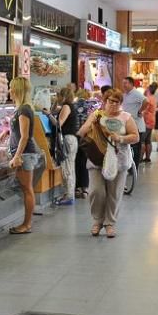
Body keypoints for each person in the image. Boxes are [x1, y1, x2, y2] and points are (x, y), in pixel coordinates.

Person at [78, 88, 139, 238]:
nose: (113, 104)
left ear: (120, 103)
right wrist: (90, 122)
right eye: (110, 101)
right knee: (96, 191)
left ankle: (109, 223)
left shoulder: (126, 117)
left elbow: (135, 137)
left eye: (116, 102)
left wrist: (121, 138)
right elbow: (81, 133)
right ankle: (97, 221)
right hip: (96, 158)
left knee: (114, 193)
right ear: (104, 101)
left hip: (119, 160)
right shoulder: (96, 115)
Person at [8, 77, 42, 234]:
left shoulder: (23, 110)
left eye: (11, 88)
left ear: (17, 90)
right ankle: (26, 223)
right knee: (26, 188)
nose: (10, 91)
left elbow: (25, 136)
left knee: (27, 189)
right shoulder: (24, 108)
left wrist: (17, 156)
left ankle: (27, 224)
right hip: (25, 153)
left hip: (25, 154)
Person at [54, 86, 79, 206]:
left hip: (68, 139)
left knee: (67, 168)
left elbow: (59, 124)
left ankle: (69, 196)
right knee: (70, 167)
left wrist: (48, 115)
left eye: (58, 95)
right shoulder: (70, 106)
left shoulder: (66, 106)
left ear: (63, 96)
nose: (57, 97)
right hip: (72, 139)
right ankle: (69, 193)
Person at [120, 77, 147, 169]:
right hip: (127, 125)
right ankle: (129, 166)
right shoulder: (125, 95)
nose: (124, 85)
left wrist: (140, 111)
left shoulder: (136, 93)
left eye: (126, 83)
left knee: (135, 148)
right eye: (123, 83)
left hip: (137, 125)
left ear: (132, 84)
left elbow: (146, 101)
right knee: (129, 147)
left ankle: (134, 167)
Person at [73, 89, 93, 199]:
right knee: (85, 162)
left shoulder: (72, 105)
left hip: (74, 136)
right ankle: (85, 188)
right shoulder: (90, 107)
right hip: (86, 137)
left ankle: (76, 188)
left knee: (76, 162)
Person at [140, 83, 157, 163]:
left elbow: (144, 110)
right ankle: (147, 158)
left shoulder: (148, 99)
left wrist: (140, 112)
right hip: (152, 120)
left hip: (146, 121)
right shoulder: (153, 98)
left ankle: (140, 158)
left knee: (142, 140)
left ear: (149, 90)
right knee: (148, 140)